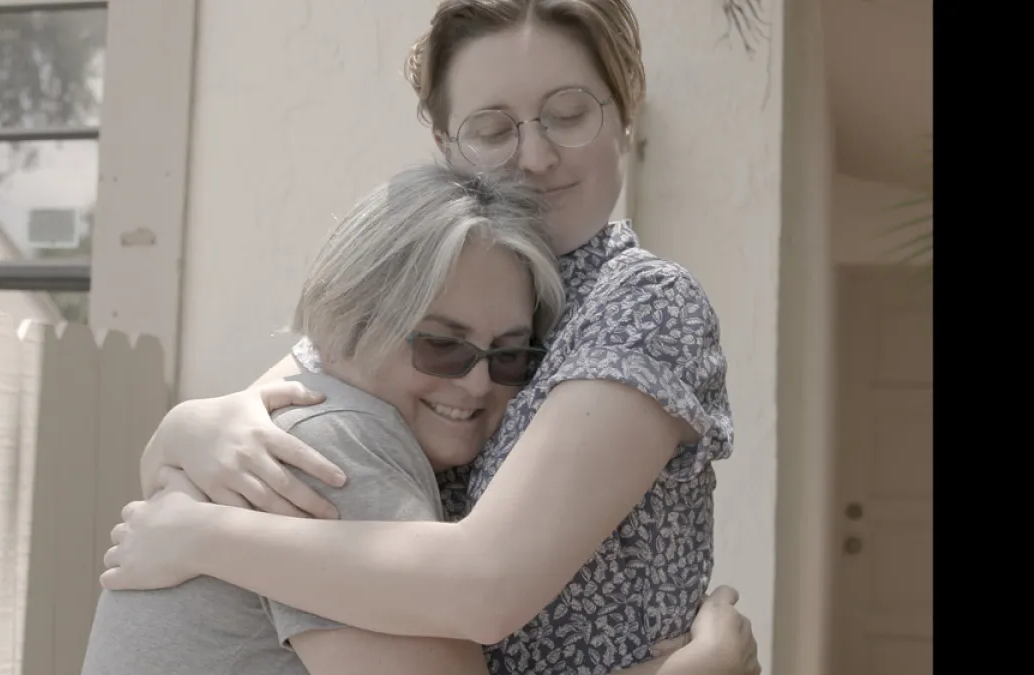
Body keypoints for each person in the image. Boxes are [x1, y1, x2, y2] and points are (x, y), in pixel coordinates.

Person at [104, 2, 754, 674]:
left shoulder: (643, 302)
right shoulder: (454, 278)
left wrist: (204, 537)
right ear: (447, 146)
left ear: (626, 111)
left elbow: (487, 584)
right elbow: (302, 398)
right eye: (493, 128)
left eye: (568, 114)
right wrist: (184, 429)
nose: (535, 157)